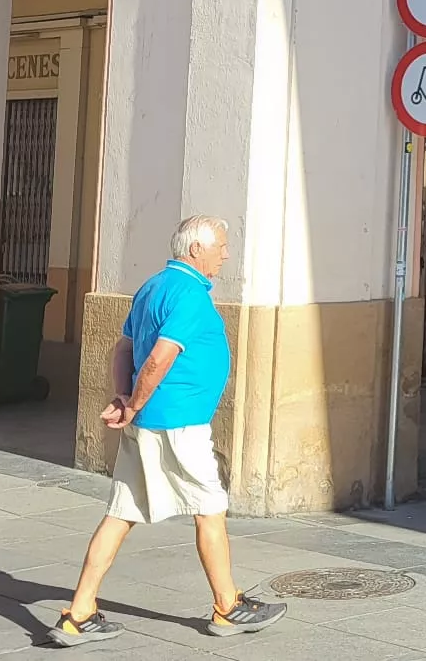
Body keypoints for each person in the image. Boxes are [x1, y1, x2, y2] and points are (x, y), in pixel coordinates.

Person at [50, 216, 286, 647]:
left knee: (121, 512)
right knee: (209, 509)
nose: (226, 254)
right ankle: (227, 607)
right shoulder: (190, 294)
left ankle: (79, 612)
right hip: (180, 425)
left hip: (146, 424)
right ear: (196, 249)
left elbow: (123, 348)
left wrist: (124, 398)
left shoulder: (153, 286)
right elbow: (159, 357)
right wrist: (134, 401)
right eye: (221, 246)